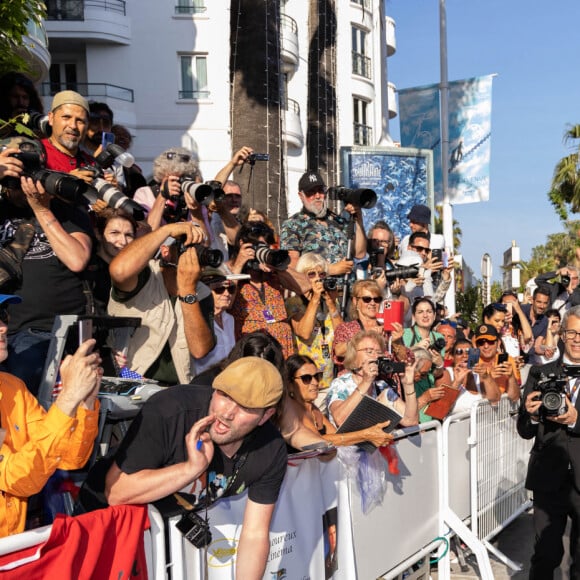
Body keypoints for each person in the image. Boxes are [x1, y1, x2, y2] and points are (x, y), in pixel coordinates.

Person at [105, 356, 287, 579]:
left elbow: (255, 534)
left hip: (167, 540)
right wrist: (190, 469)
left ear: (265, 416)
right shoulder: (170, 410)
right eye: (225, 396)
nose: (228, 413)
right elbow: (116, 493)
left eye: (245, 407)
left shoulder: (270, 448)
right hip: (107, 532)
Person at [0, 293, 100, 537]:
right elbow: (20, 478)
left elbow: (67, 458)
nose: (3, 327)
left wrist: (85, 402)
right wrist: (67, 399)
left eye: (2, 316)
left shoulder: (13, 387)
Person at [0, 136, 93, 395]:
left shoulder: (66, 209)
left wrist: (41, 210)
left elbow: (76, 259)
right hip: (6, 329)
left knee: (19, 388)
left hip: (47, 331)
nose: (21, 184)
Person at [107, 220, 215, 384]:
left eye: (199, 248)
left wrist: (187, 291)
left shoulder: (201, 291)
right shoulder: (144, 275)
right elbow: (119, 271)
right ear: (165, 251)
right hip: (129, 381)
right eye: (187, 247)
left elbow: (200, 350)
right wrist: (166, 230)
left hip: (175, 390)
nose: (194, 254)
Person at [517, 304, 580, 579]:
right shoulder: (538, 373)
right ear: (562, 334)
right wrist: (530, 416)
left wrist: (577, 420)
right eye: (573, 332)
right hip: (547, 477)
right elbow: (524, 429)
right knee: (546, 555)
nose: (578, 338)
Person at [279, 354, 394, 451]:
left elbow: (336, 436)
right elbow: (319, 441)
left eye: (317, 376)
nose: (314, 382)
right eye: (306, 378)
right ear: (290, 384)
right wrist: (366, 435)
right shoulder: (293, 410)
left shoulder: (313, 408)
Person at [228, 221, 307, 358]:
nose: (260, 252)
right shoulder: (230, 270)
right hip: (252, 349)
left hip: (282, 348)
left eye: (264, 247)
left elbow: (306, 286)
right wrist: (240, 264)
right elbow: (226, 303)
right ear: (242, 244)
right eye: (257, 247)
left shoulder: (273, 275)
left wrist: (278, 264)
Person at [280, 170, 368, 287]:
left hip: (348, 294)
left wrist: (358, 219)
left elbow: (360, 253)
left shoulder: (339, 221)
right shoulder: (292, 224)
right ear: (301, 196)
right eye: (311, 192)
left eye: (320, 191)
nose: (317, 196)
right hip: (318, 295)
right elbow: (291, 266)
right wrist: (329, 269)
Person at [326, 330, 419, 429]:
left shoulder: (381, 387)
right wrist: (366, 382)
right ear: (353, 355)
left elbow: (411, 421)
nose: (375, 356)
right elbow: (340, 420)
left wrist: (408, 385)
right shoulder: (341, 384)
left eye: (378, 353)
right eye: (369, 351)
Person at [285, 253, 343, 409]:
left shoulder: (330, 302)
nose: (318, 279)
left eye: (322, 274)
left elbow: (342, 336)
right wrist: (315, 299)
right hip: (307, 382)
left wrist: (331, 304)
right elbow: (303, 332)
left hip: (330, 380)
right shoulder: (294, 302)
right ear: (302, 277)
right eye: (311, 274)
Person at [84, 208, 137, 315]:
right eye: (115, 233)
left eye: (128, 235)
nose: (123, 241)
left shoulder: (134, 271)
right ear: (99, 234)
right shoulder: (87, 270)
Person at [40, 91, 96, 182]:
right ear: (51, 118)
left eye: (80, 120)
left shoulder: (90, 163)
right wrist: (66, 181)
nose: (73, 125)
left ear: (87, 126)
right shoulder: (35, 152)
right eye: (66, 117)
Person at [192, 268, 238, 375]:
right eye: (219, 289)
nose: (227, 294)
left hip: (225, 380)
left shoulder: (230, 320)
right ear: (204, 292)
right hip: (201, 382)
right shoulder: (198, 320)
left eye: (231, 289)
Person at [471, 323, 520, 403]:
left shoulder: (508, 360)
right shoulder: (473, 359)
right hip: (479, 410)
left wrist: (511, 377)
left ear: (498, 343)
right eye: (481, 342)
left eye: (490, 341)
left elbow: (515, 397)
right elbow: (473, 394)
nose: (486, 346)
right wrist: (489, 377)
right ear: (476, 345)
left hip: (502, 409)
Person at [402, 297, 446, 370]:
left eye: (429, 311)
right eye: (420, 312)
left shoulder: (439, 338)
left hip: (430, 380)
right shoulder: (404, 334)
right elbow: (397, 361)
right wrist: (414, 349)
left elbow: (437, 374)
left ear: (434, 316)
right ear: (414, 316)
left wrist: (440, 365)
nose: (425, 315)